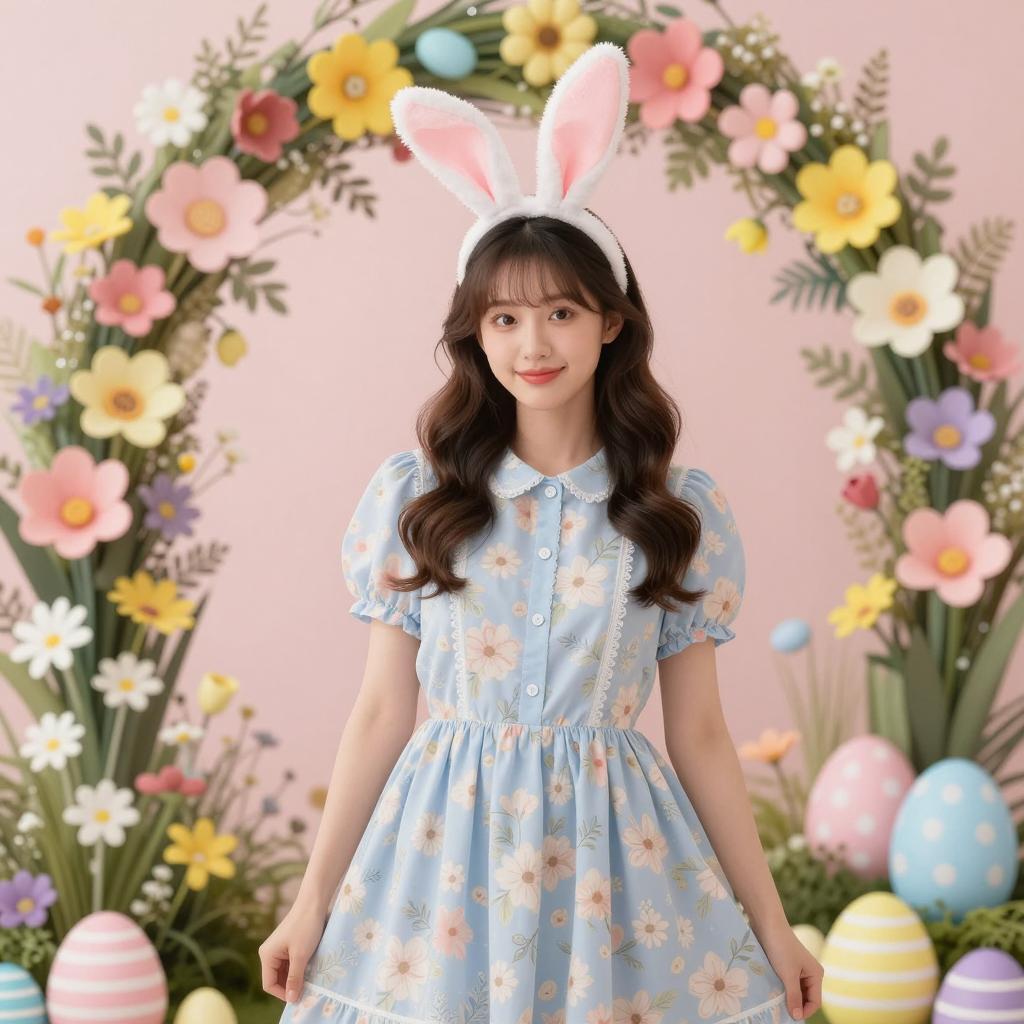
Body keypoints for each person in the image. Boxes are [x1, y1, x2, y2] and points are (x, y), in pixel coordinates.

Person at [260, 42, 823, 1024]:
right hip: (441, 867)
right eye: (504, 319)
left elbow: (698, 734)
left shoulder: (673, 513)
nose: (533, 344)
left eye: (561, 311)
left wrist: (772, 924)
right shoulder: (420, 500)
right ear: (475, 333)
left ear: (610, 322)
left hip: (615, 872)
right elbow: (382, 714)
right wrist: (310, 903)